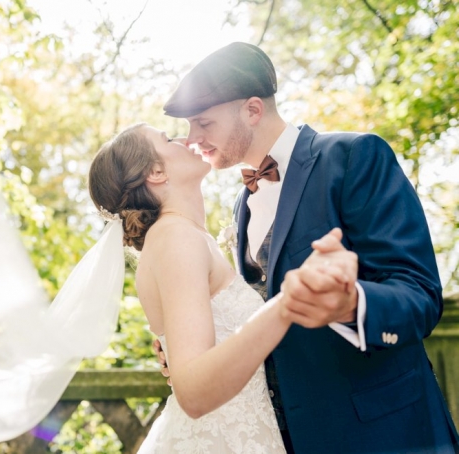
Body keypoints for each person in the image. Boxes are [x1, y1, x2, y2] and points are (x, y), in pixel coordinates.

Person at [157, 41, 459, 453]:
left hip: (387, 433)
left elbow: (420, 294)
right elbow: (260, 313)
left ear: (251, 109)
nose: (192, 139)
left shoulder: (354, 157)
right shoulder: (241, 204)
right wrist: (193, 343)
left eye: (203, 123)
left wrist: (353, 304)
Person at [87, 123, 355, 452]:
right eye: (168, 139)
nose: (185, 139)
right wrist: (288, 302)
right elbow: (194, 391)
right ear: (156, 171)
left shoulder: (186, 235)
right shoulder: (175, 238)